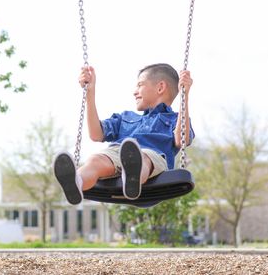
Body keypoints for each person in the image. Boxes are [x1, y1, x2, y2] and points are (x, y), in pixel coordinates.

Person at [54, 63, 194, 205]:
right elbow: (96, 134)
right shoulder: (126, 118)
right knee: (96, 160)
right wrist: (90, 92)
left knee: (142, 159)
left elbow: (181, 140)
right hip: (120, 152)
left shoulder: (176, 119)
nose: (135, 91)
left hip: (153, 156)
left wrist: (185, 96)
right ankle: (77, 182)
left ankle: (132, 178)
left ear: (160, 87)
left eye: (140, 85)